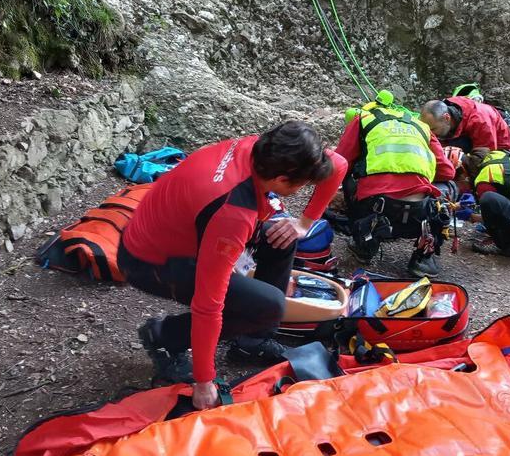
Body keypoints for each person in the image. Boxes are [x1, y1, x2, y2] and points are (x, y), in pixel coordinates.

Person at [118, 121, 346, 410]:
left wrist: (303, 223)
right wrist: (204, 381)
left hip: (183, 232)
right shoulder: (233, 214)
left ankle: (252, 341)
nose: (303, 190)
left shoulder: (260, 147)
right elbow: (208, 304)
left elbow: (337, 164)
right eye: (302, 186)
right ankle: (163, 336)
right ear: (281, 179)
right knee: (270, 305)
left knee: (283, 237)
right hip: (149, 261)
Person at [335, 104, 456, 277]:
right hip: (419, 213)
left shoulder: (363, 119)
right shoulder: (422, 128)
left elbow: (340, 160)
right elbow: (448, 172)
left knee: (348, 175)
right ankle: (423, 257)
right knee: (448, 187)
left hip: (375, 209)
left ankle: (364, 245)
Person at [420, 98, 510, 156]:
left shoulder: (480, 120)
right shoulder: (446, 109)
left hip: (501, 152)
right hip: (466, 139)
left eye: (433, 129)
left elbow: (485, 156)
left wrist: (459, 161)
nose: (431, 134)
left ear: (447, 118)